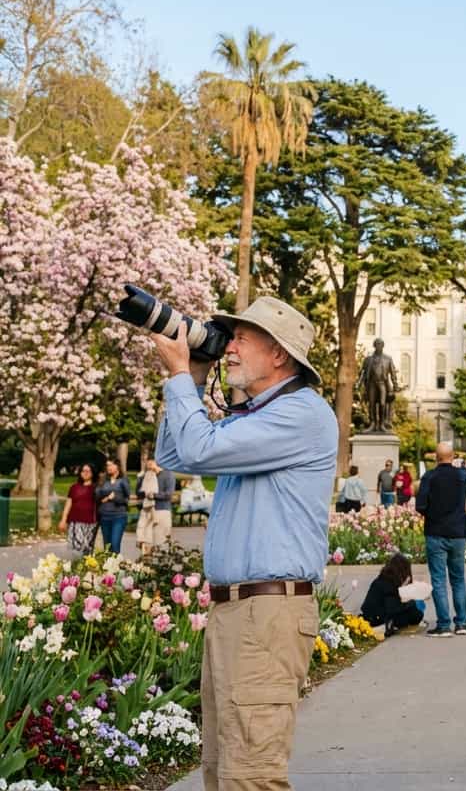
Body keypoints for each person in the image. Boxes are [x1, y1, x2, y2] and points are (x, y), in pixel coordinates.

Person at [151, 295, 337, 790]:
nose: (228, 348)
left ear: (278, 354)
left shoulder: (301, 414)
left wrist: (177, 375)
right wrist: (191, 376)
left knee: (250, 776)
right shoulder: (258, 416)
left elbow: (197, 445)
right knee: (223, 770)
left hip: (266, 616)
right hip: (239, 615)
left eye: (239, 339)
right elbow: (176, 452)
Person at [416, 442, 466, 637]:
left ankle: (444, 624)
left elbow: (420, 505)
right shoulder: (463, 476)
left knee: (439, 580)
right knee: (458, 579)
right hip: (457, 532)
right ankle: (462, 622)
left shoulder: (429, 477)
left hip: (436, 531)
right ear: (453, 455)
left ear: (436, 458)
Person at [361, 553, 427, 636]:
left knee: (414, 609)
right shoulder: (390, 585)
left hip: (371, 616)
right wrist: (409, 599)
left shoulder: (382, 579)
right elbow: (392, 608)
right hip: (378, 619)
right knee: (415, 613)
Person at [135, 458, 176, 556]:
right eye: (147, 464)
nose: (149, 466)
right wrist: (140, 479)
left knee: (161, 541)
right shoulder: (146, 475)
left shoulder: (168, 474)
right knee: (145, 540)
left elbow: (169, 494)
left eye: (151, 463)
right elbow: (138, 493)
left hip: (162, 510)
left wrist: (154, 495)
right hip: (147, 510)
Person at [59, 463, 98, 555]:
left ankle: (86, 567)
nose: (85, 473)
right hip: (75, 521)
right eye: (83, 471)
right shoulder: (74, 487)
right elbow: (68, 504)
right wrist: (63, 520)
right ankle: (76, 565)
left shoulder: (96, 488)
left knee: (88, 547)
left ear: (92, 473)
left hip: (91, 522)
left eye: (88, 471)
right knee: (77, 547)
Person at [95, 459, 130, 555]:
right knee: (107, 546)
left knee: (115, 544)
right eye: (107, 465)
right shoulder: (103, 480)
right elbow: (97, 496)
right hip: (104, 516)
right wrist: (102, 496)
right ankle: (108, 567)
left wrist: (115, 498)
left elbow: (127, 500)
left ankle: (115, 567)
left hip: (118, 516)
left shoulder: (123, 481)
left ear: (117, 466)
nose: (108, 467)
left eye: (111, 465)